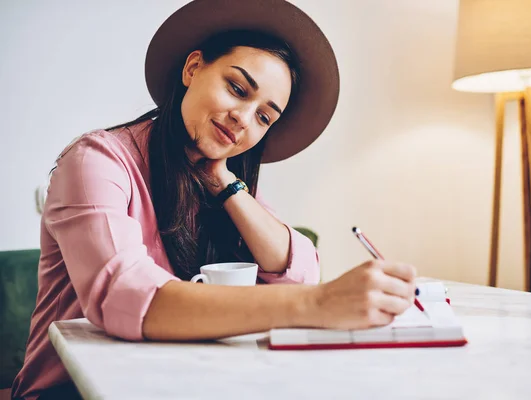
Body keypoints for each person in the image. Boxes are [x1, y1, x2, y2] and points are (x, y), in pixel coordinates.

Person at [12, 0, 418, 398]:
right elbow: (125, 298)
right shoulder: (96, 162)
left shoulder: (218, 180)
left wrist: (227, 184)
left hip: (180, 382)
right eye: (237, 89)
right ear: (193, 69)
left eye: (264, 117)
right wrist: (317, 303)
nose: (244, 118)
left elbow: (300, 271)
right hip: (71, 388)